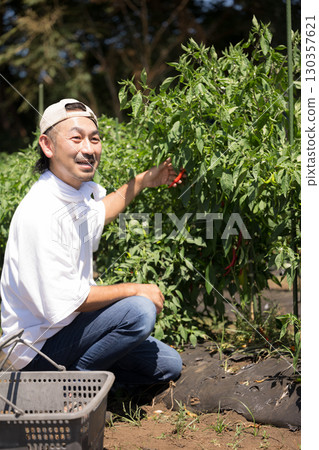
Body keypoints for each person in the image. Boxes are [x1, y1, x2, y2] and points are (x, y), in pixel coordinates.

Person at [0, 98, 183, 388]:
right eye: (76, 138)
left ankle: (84, 376)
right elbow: (69, 300)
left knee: (168, 364)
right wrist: (136, 288)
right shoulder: (41, 211)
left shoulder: (70, 195)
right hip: (36, 349)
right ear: (48, 145)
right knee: (138, 311)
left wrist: (142, 181)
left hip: (66, 331)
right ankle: (67, 387)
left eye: (94, 139)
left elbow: (101, 212)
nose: (88, 149)